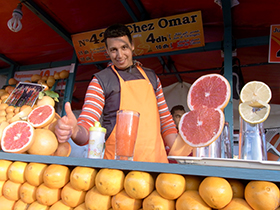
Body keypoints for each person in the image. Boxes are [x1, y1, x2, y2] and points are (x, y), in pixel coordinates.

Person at [55, 23, 178, 163]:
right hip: (118, 169)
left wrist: (182, 156)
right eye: (113, 50)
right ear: (107, 51)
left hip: (156, 164)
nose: (120, 55)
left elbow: (166, 122)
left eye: (124, 47)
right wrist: (74, 130)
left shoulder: (152, 77)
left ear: (132, 45)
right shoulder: (100, 81)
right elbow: (87, 123)